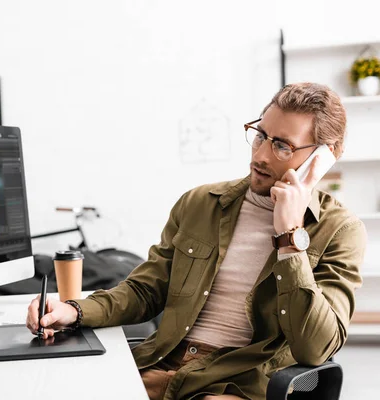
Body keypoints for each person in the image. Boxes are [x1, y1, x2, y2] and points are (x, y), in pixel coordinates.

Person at [25, 82, 366, 400]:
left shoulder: (340, 231)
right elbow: (147, 290)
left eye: (282, 145)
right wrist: (73, 309)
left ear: (323, 157)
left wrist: (290, 236)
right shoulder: (200, 203)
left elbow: (315, 348)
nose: (261, 155)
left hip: (236, 385)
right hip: (159, 365)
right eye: (261, 135)